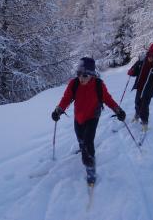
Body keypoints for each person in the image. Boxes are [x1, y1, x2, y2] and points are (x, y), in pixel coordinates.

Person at [51, 57, 126, 185]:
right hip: (78, 117)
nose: (81, 78)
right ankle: (82, 148)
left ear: (91, 74)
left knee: (88, 143)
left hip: (92, 117)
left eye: (85, 75)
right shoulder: (74, 84)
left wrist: (118, 110)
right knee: (80, 139)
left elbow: (108, 99)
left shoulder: (98, 85)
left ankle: (90, 169)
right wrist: (58, 110)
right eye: (79, 74)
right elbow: (66, 98)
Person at [127, 43, 153, 132]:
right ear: (147, 53)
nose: (151, 57)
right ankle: (137, 115)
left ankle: (145, 123)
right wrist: (131, 71)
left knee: (144, 107)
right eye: (150, 55)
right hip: (140, 87)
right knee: (137, 103)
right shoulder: (141, 62)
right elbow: (134, 70)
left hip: (148, 91)